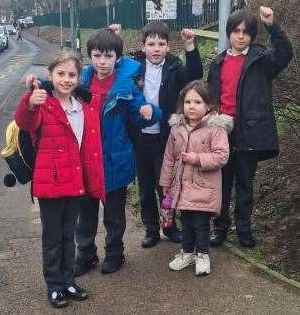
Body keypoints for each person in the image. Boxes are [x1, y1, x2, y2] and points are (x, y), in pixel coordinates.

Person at [14, 51, 105, 309]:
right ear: (50, 75)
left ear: (79, 77)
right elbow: (25, 121)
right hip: (51, 181)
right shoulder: (42, 101)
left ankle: (69, 281)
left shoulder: (82, 104)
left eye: (72, 74)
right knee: (52, 237)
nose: (66, 79)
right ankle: (54, 286)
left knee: (69, 235)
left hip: (75, 181)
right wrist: (30, 101)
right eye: (61, 74)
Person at [75, 28, 162, 277]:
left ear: (117, 58)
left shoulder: (126, 86)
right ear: (90, 56)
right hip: (86, 160)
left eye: (108, 56)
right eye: (97, 55)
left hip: (115, 160)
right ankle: (86, 254)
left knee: (114, 216)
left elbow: (140, 113)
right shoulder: (81, 82)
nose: (102, 62)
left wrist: (149, 113)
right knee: (86, 214)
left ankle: (115, 253)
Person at [208, 6, 293, 248]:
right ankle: (220, 227)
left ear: (252, 35)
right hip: (222, 132)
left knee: (245, 185)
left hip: (249, 133)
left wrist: (272, 25)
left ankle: (244, 229)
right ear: (228, 33)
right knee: (222, 184)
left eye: (246, 32)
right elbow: (212, 95)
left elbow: (285, 53)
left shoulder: (261, 60)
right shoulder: (218, 62)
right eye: (236, 31)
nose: (240, 36)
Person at [129, 21, 203, 248]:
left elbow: (195, 76)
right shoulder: (135, 68)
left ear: (168, 47)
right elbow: (114, 65)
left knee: (167, 187)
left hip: (165, 139)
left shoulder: (174, 68)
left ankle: (169, 226)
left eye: (161, 43)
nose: (156, 48)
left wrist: (190, 45)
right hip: (141, 138)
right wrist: (114, 36)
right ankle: (151, 229)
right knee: (145, 188)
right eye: (151, 44)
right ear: (143, 46)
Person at [160, 80, 232, 276]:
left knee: (200, 224)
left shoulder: (216, 129)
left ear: (208, 105)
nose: (192, 106)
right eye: (188, 102)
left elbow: (221, 156)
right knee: (186, 221)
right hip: (181, 186)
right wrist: (165, 183)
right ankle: (187, 252)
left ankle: (202, 255)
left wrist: (197, 159)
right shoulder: (176, 129)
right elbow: (169, 157)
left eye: (198, 102)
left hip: (204, 188)